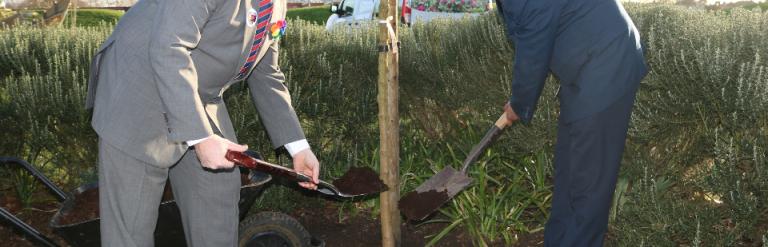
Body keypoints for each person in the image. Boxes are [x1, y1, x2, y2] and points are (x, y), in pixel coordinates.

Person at [85, 0, 320, 245]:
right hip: (139, 86)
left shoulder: (276, 4)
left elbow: (266, 71)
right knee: (131, 223)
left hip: (195, 91)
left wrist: (299, 147)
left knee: (217, 189)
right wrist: (201, 137)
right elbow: (169, 46)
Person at [495, 0, 648, 246]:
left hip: (606, 64)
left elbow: (534, 45)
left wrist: (519, 104)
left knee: (587, 186)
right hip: (586, 66)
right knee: (569, 176)